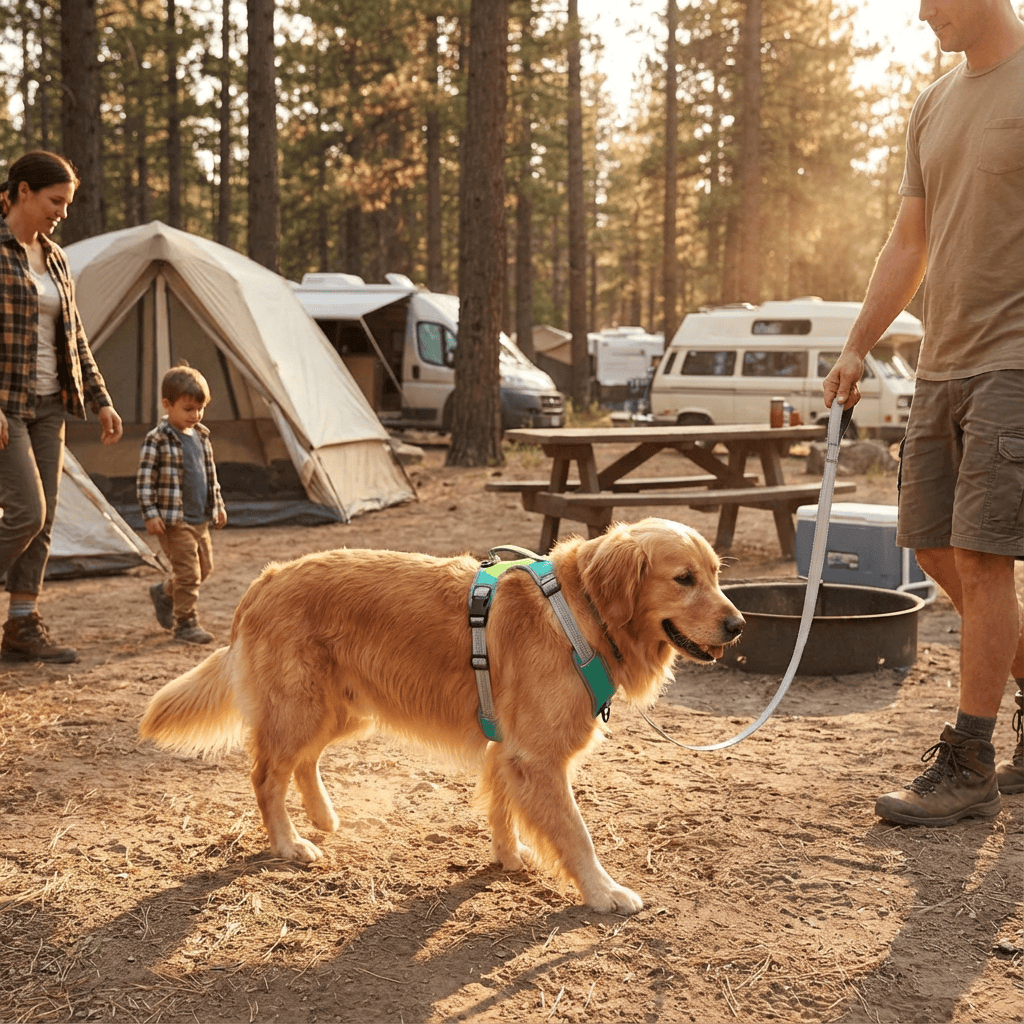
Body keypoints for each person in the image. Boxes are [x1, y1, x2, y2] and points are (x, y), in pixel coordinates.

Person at [824, 0, 1024, 826]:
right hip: (941, 360)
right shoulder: (934, 102)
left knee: (983, 560)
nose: (921, 11)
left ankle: (970, 757)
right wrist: (856, 345)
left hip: (1015, 362)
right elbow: (911, 240)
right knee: (933, 546)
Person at [1, 150, 123, 664]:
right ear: (22, 191)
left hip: (51, 404)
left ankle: (22, 626)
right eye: (56, 201)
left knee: (45, 522)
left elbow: (73, 336)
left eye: (67, 204)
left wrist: (100, 400)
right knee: (28, 511)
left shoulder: (55, 257)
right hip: (7, 404)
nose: (62, 213)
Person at [137, 362, 227, 644]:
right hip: (174, 521)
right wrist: (151, 514)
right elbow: (144, 480)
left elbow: (210, 476)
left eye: (200, 408)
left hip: (200, 518)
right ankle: (185, 623)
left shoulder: (201, 436)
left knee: (204, 569)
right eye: (188, 409)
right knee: (189, 574)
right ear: (167, 404)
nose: (195, 415)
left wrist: (218, 505)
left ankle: (164, 592)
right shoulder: (158, 439)